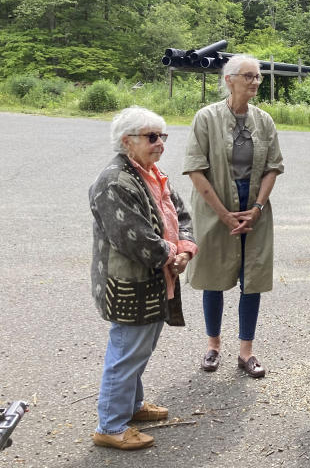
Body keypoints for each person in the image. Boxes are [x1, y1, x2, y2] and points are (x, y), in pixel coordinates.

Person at [89, 107, 196, 450]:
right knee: (126, 351)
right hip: (129, 283)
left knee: (140, 348)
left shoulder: (151, 172)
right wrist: (172, 254)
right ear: (127, 141)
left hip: (155, 279)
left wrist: (185, 250)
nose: (160, 144)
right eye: (151, 137)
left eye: (162, 136)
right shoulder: (114, 181)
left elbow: (181, 213)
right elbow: (132, 235)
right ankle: (110, 425)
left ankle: (131, 407)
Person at [183, 54, 284, 378]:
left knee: (251, 278)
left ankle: (246, 351)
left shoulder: (264, 120)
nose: (255, 82)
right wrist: (224, 214)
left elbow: (272, 167)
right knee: (212, 275)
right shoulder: (206, 117)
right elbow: (196, 170)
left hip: (254, 206)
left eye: (257, 76)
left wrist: (256, 208)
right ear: (229, 80)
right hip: (215, 205)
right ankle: (213, 345)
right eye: (248, 76)